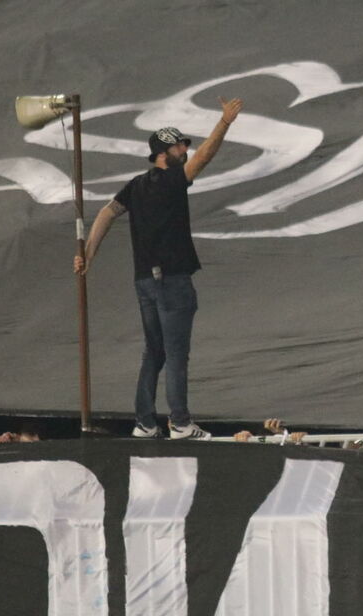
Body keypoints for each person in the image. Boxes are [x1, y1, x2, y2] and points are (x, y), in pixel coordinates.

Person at [76, 96, 244, 440]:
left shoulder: (137, 185)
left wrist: (90, 253)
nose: (185, 150)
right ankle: (180, 422)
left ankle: (145, 422)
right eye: (180, 146)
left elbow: (107, 212)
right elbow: (204, 158)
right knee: (177, 352)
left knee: (154, 351)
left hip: (145, 282)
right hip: (171, 280)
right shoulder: (170, 180)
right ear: (163, 153)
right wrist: (224, 122)